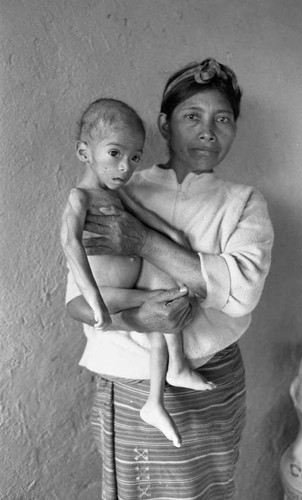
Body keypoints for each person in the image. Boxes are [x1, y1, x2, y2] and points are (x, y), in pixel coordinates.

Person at [66, 58, 274, 499]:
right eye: (191, 116)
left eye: (223, 119)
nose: (208, 131)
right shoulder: (118, 189)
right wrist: (141, 318)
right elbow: (81, 302)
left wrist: (143, 242)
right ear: (164, 123)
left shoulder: (243, 203)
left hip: (214, 378)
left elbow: (241, 293)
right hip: (130, 377)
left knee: (209, 489)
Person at [61, 98, 213, 449]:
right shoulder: (79, 198)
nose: (125, 167)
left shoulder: (120, 195)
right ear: (84, 152)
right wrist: (95, 300)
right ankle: (172, 375)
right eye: (115, 153)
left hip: (124, 291)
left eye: (134, 158)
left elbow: (146, 218)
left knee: (161, 324)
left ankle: (156, 400)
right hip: (102, 293)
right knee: (169, 302)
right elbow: (71, 247)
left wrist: (176, 238)